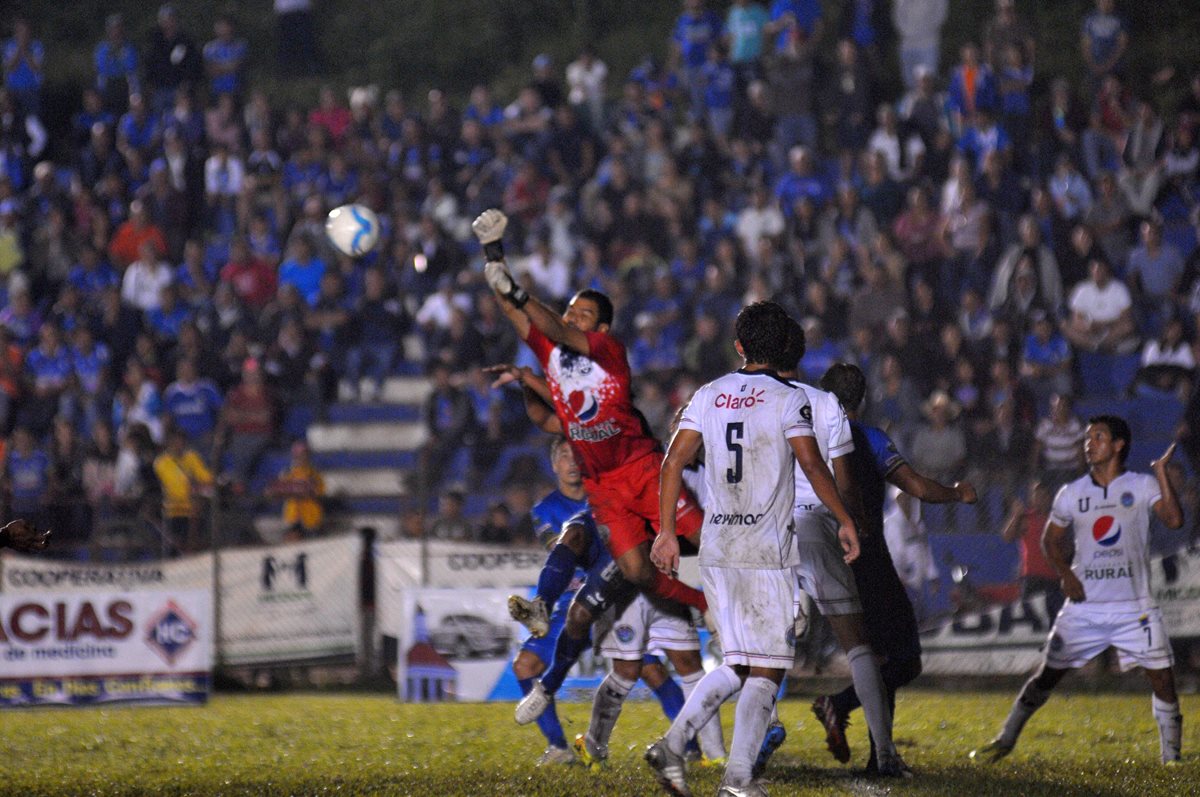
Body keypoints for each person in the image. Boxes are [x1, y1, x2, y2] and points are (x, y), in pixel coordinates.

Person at [645, 301, 862, 797]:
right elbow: (811, 465)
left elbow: (673, 461)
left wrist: (664, 531)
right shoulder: (788, 399)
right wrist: (845, 518)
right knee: (767, 667)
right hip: (764, 549)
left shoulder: (709, 393)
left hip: (719, 546)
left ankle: (673, 745)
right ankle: (739, 780)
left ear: (738, 346)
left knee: (738, 662)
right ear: (782, 347)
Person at [473, 208, 707, 614]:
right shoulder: (550, 351)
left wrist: (520, 294)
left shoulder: (609, 351)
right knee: (636, 570)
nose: (570, 318)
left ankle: (776, 599)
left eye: (582, 315)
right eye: (569, 310)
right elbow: (514, 312)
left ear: (599, 331)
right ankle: (708, 607)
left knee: (707, 542)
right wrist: (494, 256)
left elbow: (543, 320)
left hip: (641, 467)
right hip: (602, 484)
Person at [973, 418, 1184, 764]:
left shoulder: (1142, 485)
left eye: (1098, 437)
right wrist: (1065, 573)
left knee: (1163, 679)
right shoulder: (1072, 493)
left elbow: (1175, 520)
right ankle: (1006, 737)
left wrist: (1161, 471)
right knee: (1047, 676)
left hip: (1135, 606)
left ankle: (1171, 758)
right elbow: (1050, 540)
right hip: (1084, 606)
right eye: (1087, 438)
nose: (1089, 443)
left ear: (1118, 445)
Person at [799, 362, 976, 772]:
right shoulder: (867, 438)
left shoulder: (804, 438)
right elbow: (913, 484)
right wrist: (954, 493)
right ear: (863, 399)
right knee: (905, 659)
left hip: (817, 554)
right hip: (866, 554)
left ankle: (879, 755)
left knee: (877, 656)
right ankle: (846, 712)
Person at [999, 480, 1064, 620]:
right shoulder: (1026, 517)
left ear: (1049, 497)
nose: (1040, 499)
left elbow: (1067, 546)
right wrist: (1015, 515)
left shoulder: (1057, 518)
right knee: (1030, 615)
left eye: (1043, 495)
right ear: (1032, 498)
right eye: (1036, 495)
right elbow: (1007, 536)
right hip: (1032, 578)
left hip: (1053, 577)